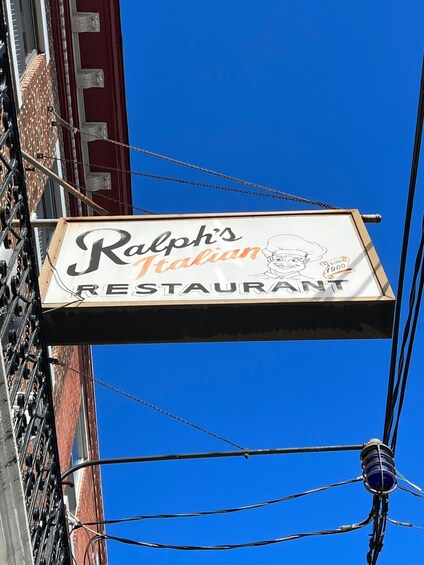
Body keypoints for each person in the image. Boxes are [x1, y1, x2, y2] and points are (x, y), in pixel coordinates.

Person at [260, 234, 327, 280]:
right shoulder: (254, 279)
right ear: (269, 259)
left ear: (305, 261)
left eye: (294, 260)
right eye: (279, 259)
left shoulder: (311, 281)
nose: (285, 264)